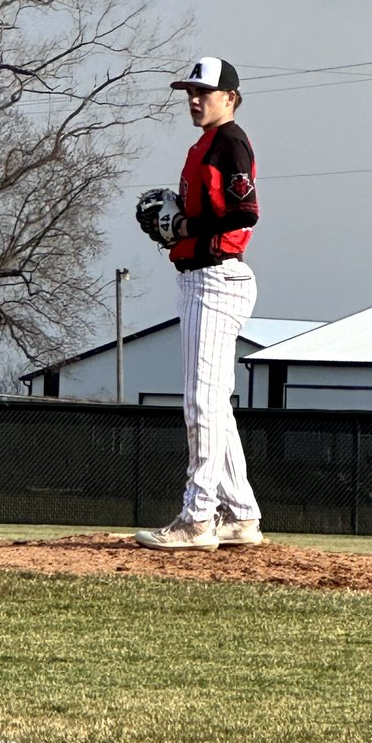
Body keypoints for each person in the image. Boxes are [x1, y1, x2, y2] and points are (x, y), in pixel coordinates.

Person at [135, 56, 263, 550]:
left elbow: (244, 213)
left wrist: (185, 227)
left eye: (204, 92)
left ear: (230, 97)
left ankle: (197, 518)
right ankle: (242, 516)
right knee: (214, 405)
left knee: (201, 402)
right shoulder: (207, 143)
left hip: (215, 279)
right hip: (203, 279)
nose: (194, 99)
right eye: (190, 91)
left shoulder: (229, 140)